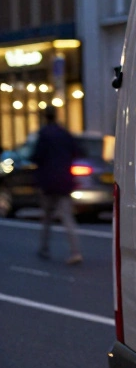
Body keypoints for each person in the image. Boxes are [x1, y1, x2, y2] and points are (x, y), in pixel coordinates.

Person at [32, 106, 82, 265]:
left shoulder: (44, 135)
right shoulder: (65, 134)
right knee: (67, 217)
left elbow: (37, 156)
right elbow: (76, 151)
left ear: (45, 117)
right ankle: (75, 251)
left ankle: (44, 247)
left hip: (47, 181)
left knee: (47, 216)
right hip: (65, 180)